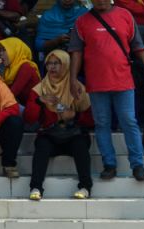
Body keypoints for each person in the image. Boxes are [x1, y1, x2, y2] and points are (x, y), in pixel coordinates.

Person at [68, 0, 144, 182]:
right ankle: (109, 165)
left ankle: (138, 165)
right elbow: (76, 51)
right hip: (96, 83)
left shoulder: (125, 16)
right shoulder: (82, 21)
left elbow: (138, 47)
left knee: (129, 122)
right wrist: (72, 78)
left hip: (123, 81)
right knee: (102, 124)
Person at [25, 49, 93, 200]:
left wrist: (75, 115)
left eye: (57, 63)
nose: (52, 67)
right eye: (49, 63)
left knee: (80, 144)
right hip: (50, 135)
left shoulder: (77, 87)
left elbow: (91, 119)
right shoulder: (39, 89)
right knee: (42, 145)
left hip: (73, 134)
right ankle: (36, 187)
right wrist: (38, 101)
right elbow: (29, 118)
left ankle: (85, 187)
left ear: (67, 65)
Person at [0, 37, 40, 109]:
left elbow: (11, 94)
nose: (0, 54)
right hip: (26, 107)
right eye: (0, 51)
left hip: (34, 112)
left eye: (4, 50)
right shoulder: (9, 70)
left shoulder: (26, 67)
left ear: (15, 51)